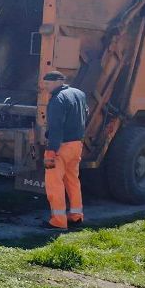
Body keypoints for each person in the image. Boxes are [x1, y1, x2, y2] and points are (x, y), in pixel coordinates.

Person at [41, 71, 88, 230]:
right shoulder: (79, 94)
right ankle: (76, 216)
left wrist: (51, 150)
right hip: (76, 145)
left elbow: (56, 127)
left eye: (48, 84)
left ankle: (58, 221)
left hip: (60, 147)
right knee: (73, 180)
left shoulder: (57, 99)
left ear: (59, 81)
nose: (45, 87)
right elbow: (85, 114)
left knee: (54, 183)